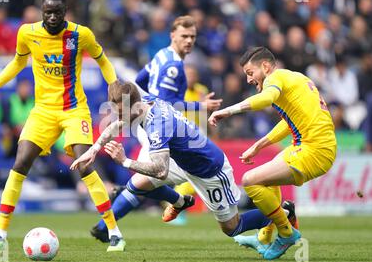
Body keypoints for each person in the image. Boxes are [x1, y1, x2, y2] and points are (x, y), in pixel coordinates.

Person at [0, 0, 125, 252]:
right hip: (43, 111)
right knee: (20, 164)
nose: (52, 17)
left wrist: (114, 84)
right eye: (47, 12)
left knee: (85, 166)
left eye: (57, 13)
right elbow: (17, 63)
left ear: (65, 13)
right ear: (42, 11)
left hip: (74, 109)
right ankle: (0, 235)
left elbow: (103, 60)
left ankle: (114, 232)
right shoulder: (27, 33)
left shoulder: (80, 34)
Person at [71, 82, 290, 252]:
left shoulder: (157, 124)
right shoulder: (143, 101)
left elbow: (160, 170)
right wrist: (93, 149)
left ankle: (283, 212)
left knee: (232, 228)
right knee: (136, 184)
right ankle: (181, 201)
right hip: (182, 160)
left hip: (208, 169)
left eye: (122, 113)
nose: (120, 118)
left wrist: (125, 161)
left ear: (135, 107)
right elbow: (118, 123)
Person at [90, 16, 222, 241]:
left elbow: (139, 81)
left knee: (146, 180)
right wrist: (200, 105)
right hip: (155, 124)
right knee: (149, 177)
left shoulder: (162, 55)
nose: (188, 41)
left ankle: (176, 201)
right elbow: (166, 104)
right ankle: (106, 226)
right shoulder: (173, 67)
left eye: (192, 37)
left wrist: (140, 100)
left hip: (149, 120)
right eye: (184, 36)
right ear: (173, 35)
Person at [209, 47, 337, 260]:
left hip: (314, 149)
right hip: (310, 145)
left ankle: (286, 232)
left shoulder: (275, 78)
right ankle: (265, 236)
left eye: (250, 73)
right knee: (268, 180)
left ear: (265, 66)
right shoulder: (294, 78)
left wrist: (227, 110)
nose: (249, 79)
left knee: (250, 181)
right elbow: (289, 123)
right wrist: (259, 145)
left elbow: (266, 99)